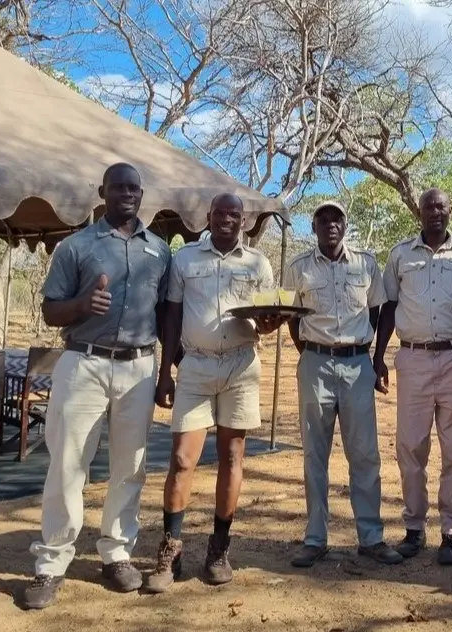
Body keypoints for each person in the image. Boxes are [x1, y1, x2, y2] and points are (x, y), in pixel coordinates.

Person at [23, 163, 171, 610]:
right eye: (118, 187)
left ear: (142, 194)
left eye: (134, 188)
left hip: (140, 367)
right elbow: (50, 312)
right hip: (83, 362)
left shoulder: (160, 252)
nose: (126, 194)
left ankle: (117, 553)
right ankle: (51, 562)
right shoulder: (76, 246)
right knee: (68, 462)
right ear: (102, 191)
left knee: (131, 465)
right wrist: (83, 305)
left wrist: (167, 371)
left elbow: (166, 314)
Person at [145, 194, 289, 593]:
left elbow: (264, 319)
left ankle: (218, 550)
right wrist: (166, 371)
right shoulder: (186, 259)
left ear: (244, 221)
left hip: (241, 365)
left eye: (235, 214)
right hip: (195, 365)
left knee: (232, 455)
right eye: (220, 213)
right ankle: (170, 551)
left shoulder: (257, 263)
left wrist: (271, 323)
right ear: (208, 217)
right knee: (181, 458)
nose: (227, 219)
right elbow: (171, 314)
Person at [283, 201, 403, 568]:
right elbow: (291, 315)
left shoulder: (366, 263)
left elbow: (377, 311)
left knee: (365, 454)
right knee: (314, 454)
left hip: (357, 365)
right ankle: (315, 538)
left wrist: (370, 353)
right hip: (315, 364)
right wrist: (312, 350)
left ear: (345, 225)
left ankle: (371, 537)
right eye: (323, 219)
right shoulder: (298, 267)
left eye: (337, 219)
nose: (331, 224)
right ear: (314, 226)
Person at [373, 188, 452, 566]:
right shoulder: (400, 255)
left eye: (441, 206)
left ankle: (451, 531)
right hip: (412, 359)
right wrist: (378, 356)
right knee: (410, 448)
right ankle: (414, 528)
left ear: (451, 210)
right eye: (427, 206)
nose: (434, 212)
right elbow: (388, 307)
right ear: (419, 212)